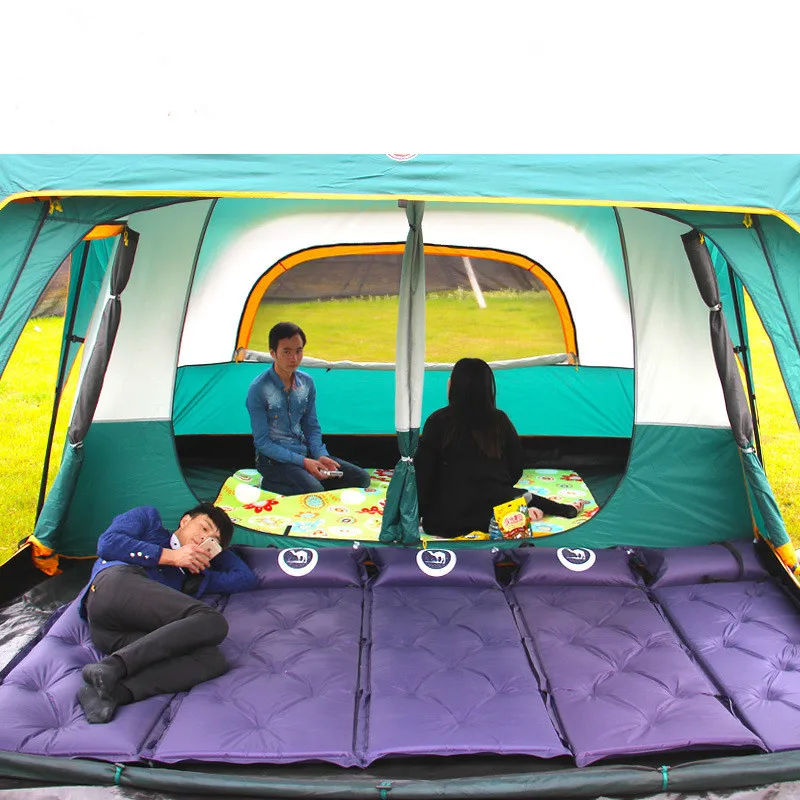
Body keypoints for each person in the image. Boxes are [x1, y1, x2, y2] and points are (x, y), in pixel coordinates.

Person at [77, 502, 257, 724]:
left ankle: (111, 692)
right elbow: (108, 543)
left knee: (212, 660)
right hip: (112, 587)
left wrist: (217, 552)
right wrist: (170, 556)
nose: (205, 538)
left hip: (112, 633)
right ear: (185, 520)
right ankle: (112, 667)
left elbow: (245, 578)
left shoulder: (196, 576)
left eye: (213, 541)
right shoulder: (149, 521)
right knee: (212, 620)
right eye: (204, 528)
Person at [415, 358, 585, 538]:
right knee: (518, 495)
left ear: (454, 386)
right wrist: (496, 486)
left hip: (445, 523)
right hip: (497, 515)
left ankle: (527, 508)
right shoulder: (500, 421)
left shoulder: (437, 421)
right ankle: (558, 509)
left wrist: (419, 513)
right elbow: (516, 467)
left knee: (511, 496)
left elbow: (423, 475)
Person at [246, 321, 371, 495]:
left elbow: (311, 425)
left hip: (305, 452)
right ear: (273, 353)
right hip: (273, 460)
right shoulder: (258, 389)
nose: (294, 358)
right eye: (287, 352)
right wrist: (303, 463)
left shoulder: (306, 383)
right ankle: (271, 483)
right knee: (314, 490)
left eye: (298, 351)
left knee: (361, 479)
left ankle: (304, 482)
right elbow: (263, 442)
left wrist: (320, 455)